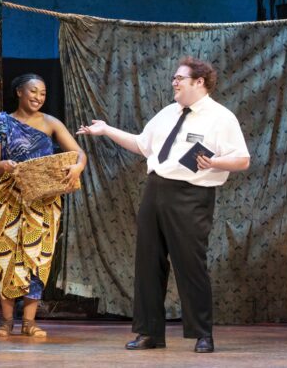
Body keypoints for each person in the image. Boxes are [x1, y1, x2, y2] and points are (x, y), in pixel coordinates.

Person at [77, 57, 251, 354]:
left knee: (190, 265)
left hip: (192, 195)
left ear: (199, 82)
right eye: (174, 77)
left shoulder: (221, 117)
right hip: (156, 189)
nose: (174, 82)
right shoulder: (168, 112)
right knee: (148, 263)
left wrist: (215, 161)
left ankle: (202, 334)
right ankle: (149, 333)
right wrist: (106, 130)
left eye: (180, 78)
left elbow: (243, 159)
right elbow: (143, 145)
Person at [0, 73, 86, 337]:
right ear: (19, 92)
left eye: (42, 93)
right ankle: (6, 321)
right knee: (6, 257)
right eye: (33, 92)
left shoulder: (51, 123)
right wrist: (4, 165)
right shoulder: (2, 123)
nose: (38, 97)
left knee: (37, 258)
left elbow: (79, 153)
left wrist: (78, 168)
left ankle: (29, 322)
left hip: (43, 202)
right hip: (9, 199)